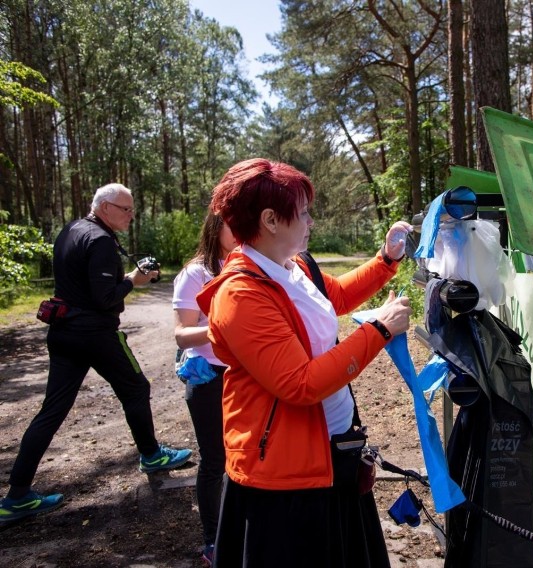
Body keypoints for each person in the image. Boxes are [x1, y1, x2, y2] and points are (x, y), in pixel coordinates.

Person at [195, 158, 412, 567]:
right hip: (283, 474)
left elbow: (340, 297)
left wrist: (386, 259)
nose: (311, 221)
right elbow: (300, 384)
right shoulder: (241, 295)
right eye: (305, 211)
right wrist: (379, 331)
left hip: (331, 450)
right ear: (271, 220)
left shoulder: (295, 267)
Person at [0, 183, 193, 524]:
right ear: (105, 208)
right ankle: (151, 456)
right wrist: (134, 279)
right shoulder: (101, 241)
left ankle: (16, 495)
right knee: (136, 388)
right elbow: (105, 298)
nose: (131, 215)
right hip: (95, 335)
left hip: (63, 334)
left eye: (132, 209)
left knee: (52, 410)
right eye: (126, 209)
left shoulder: (72, 229)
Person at [172, 213, 238, 566]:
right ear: (215, 228)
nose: (241, 232)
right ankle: (212, 541)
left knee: (243, 457)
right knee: (215, 461)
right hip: (209, 378)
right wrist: (222, 328)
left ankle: (241, 530)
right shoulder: (195, 273)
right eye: (234, 226)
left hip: (245, 376)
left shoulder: (245, 264)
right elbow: (182, 335)